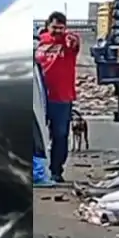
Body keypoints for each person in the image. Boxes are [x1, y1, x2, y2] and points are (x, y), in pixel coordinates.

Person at [35, 11, 80, 182]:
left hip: (61, 98)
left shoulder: (68, 42)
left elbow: (73, 41)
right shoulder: (39, 43)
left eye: (61, 28)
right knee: (36, 135)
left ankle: (56, 171)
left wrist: (69, 37)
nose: (58, 31)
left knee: (60, 135)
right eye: (54, 27)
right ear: (47, 26)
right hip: (39, 98)